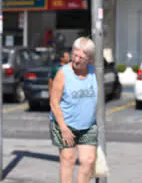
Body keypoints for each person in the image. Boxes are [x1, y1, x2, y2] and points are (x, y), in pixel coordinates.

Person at [50, 37, 98, 183]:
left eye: (81, 58)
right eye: (74, 55)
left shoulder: (94, 71)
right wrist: (63, 128)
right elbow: (54, 102)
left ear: (89, 59)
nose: (76, 60)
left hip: (88, 125)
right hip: (65, 124)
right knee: (68, 160)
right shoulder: (63, 74)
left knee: (88, 161)